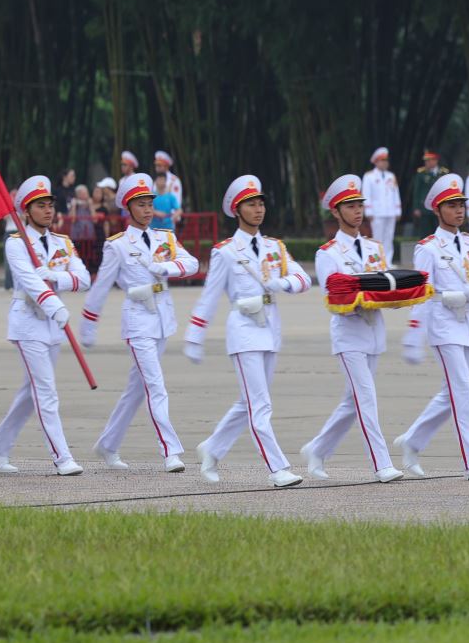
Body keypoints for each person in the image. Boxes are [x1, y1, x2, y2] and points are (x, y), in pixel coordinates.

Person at [184, 174, 311, 488]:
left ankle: (212, 449)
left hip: (269, 329)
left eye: (260, 203)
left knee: (250, 402)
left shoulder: (274, 247)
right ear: (237, 210)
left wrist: (284, 283)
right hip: (243, 331)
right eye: (250, 204)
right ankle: (277, 468)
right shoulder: (226, 251)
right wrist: (194, 335)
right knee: (261, 405)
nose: (258, 210)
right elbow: (210, 297)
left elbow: (304, 279)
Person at [80, 173, 199, 472]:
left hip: (162, 319)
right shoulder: (117, 245)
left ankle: (108, 445)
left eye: (149, 204)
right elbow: (101, 286)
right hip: (137, 322)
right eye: (141, 204)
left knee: (136, 389)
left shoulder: (165, 238)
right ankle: (170, 450)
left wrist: (166, 266)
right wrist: (89, 324)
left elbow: (192, 263)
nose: (147, 210)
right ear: (128, 208)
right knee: (155, 386)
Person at [395, 173, 469, 482]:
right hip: (443, 326)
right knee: (462, 392)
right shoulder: (428, 248)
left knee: (452, 393)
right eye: (451, 205)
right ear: (437, 210)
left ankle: (413, 440)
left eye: (461, 205)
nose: (459, 211)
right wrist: (414, 336)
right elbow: (421, 295)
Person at [0, 175, 92, 476]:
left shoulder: (62, 243)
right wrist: (54, 303)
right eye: (40, 206)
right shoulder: (17, 244)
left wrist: (57, 277)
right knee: (45, 391)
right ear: (26, 212)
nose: (47, 211)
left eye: (49, 205)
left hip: (53, 325)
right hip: (28, 322)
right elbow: (30, 282)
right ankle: (62, 457)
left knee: (30, 393)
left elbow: (83, 279)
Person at [301, 175, 405, 483]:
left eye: (360, 204)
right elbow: (332, 298)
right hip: (349, 334)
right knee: (366, 398)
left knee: (353, 401)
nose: (357, 211)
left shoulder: (375, 248)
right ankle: (381, 463)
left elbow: (385, 284)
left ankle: (317, 449)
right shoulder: (328, 253)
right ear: (335, 211)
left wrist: (395, 298)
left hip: (375, 332)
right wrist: (362, 300)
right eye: (350, 206)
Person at [361, 147, 401, 265]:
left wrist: (398, 210)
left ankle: (388, 261)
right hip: (377, 212)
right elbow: (366, 194)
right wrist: (368, 211)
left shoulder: (391, 176)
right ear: (376, 162)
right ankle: (378, 263)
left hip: (390, 211)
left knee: (389, 238)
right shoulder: (369, 176)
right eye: (382, 160)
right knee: (377, 239)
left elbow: (395, 193)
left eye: (386, 161)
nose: (385, 163)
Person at [409, 149, 447, 238]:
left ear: (435, 160)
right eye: (426, 161)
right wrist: (416, 207)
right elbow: (417, 191)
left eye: (430, 160)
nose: (427, 163)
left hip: (439, 206)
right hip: (425, 207)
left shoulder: (443, 172)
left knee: (440, 230)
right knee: (425, 232)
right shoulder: (421, 173)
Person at [152, 150, 184, 216]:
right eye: (156, 165)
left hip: (169, 217)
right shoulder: (155, 180)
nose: (157, 168)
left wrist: (170, 216)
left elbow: (176, 200)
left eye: (159, 165)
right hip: (155, 217)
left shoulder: (174, 180)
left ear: (166, 166)